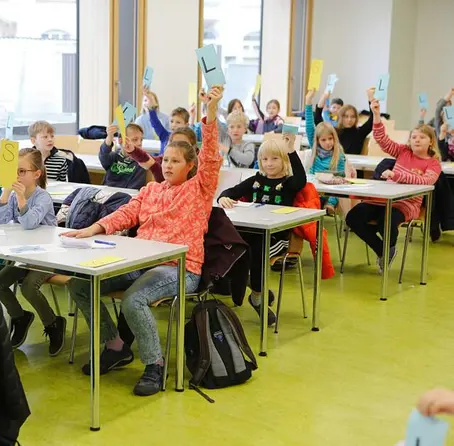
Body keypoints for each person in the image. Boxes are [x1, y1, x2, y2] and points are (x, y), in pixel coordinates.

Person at [62, 85, 224, 397]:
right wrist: (93, 229)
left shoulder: (199, 190)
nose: (168, 166)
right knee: (80, 285)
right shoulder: (150, 191)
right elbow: (124, 214)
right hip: (140, 263)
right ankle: (116, 345)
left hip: (178, 268)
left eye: (176, 162)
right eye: (166, 161)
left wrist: (212, 113)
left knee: (134, 298)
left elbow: (211, 158)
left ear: (190, 167)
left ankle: (155, 364)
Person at [218, 132, 306, 325]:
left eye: (275, 159)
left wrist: (291, 150)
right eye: (264, 159)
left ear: (285, 161)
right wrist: (223, 197)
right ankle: (250, 282)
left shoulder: (289, 183)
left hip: (277, 237)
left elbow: (301, 180)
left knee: (255, 252)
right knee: (231, 245)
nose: (269, 163)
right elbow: (232, 191)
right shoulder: (256, 180)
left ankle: (257, 297)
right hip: (254, 232)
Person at [345, 98, 442, 274]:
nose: (416, 140)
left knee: (386, 223)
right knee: (353, 217)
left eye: (421, 137)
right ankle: (383, 250)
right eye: (413, 137)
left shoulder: (433, 164)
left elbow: (426, 181)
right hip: (381, 199)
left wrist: (397, 175)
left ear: (431, 142)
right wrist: (375, 114)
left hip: (406, 204)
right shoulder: (403, 151)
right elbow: (382, 140)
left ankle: (386, 249)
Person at [0, 148, 66, 355]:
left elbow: (30, 223)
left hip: (48, 254)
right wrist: (6, 193)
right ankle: (19, 317)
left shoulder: (43, 197)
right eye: (14, 171)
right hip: (24, 253)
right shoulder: (14, 195)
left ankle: (53, 323)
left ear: (36, 174)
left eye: (22, 171)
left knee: (28, 288)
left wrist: (22, 199)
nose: (18, 176)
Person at [304, 89, 353, 215]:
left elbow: (339, 181)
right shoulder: (315, 148)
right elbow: (309, 125)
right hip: (313, 189)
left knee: (333, 193)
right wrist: (308, 102)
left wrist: (331, 202)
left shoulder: (339, 155)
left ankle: (329, 206)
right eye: (324, 140)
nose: (328, 143)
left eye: (330, 139)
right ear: (318, 141)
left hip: (330, 192)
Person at [315, 88, 375, 155]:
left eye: (352, 117)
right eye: (346, 116)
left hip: (354, 164)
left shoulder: (360, 132)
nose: (349, 120)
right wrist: (320, 105)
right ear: (340, 117)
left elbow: (372, 120)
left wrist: (371, 99)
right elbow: (318, 123)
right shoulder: (334, 132)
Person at [127, 128, 197, 183]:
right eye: (173, 143)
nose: (168, 166)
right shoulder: (161, 160)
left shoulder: (200, 171)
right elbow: (148, 159)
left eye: (183, 145)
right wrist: (133, 150)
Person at [143, 87, 191, 154]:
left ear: (186, 125)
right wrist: (150, 101)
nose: (174, 125)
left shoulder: (187, 141)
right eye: (172, 121)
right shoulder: (165, 136)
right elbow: (155, 122)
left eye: (178, 122)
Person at [99, 123, 147, 189]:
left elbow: (134, 190)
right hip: (105, 194)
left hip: (124, 197)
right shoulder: (114, 157)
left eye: (141, 140)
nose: (139, 143)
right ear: (121, 141)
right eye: (135, 140)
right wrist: (109, 137)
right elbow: (103, 155)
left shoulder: (142, 163)